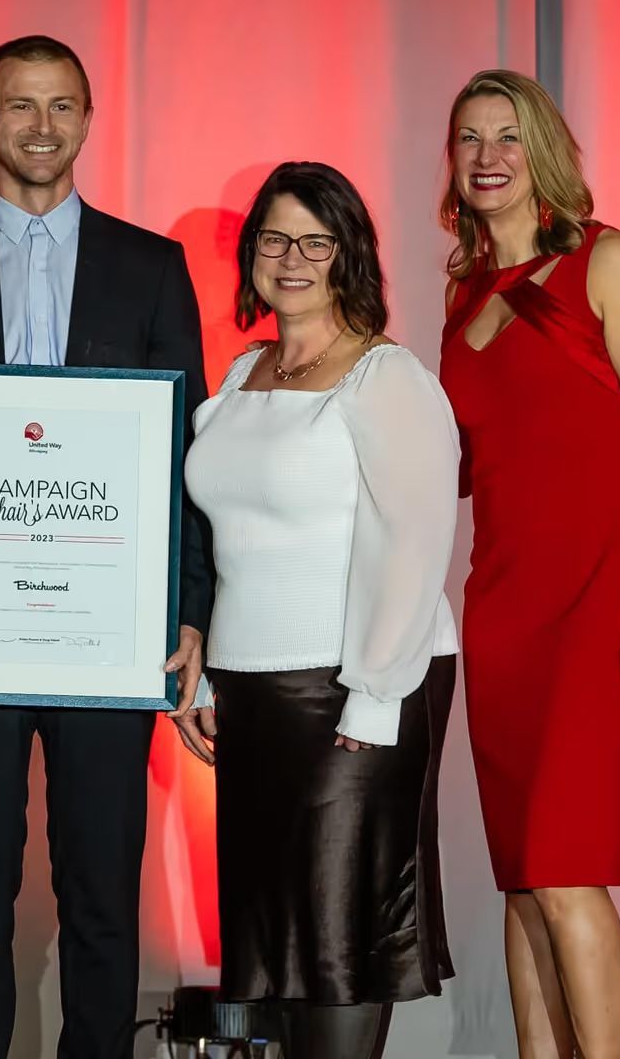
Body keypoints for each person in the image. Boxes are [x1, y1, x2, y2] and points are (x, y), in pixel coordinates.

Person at [0, 35, 212, 1058]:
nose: (42, 127)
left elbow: (182, 455)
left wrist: (187, 609)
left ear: (88, 121)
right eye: (20, 106)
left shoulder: (153, 270)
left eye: (62, 106)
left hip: (109, 638)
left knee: (104, 893)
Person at [173, 162, 461, 1058]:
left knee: (339, 943)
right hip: (255, 696)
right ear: (250, 254)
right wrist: (213, 676)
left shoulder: (386, 377)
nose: (289, 259)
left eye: (313, 241)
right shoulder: (242, 372)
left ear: (348, 256)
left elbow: (416, 549)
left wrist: (374, 700)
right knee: (280, 943)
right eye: (272, 239)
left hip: (356, 690)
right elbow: (229, 547)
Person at [437, 69, 620, 1059]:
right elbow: (463, 464)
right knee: (522, 878)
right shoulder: (463, 293)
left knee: (564, 866)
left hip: (592, 610)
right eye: (470, 138)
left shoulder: (605, 261)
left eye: (509, 135)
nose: (490, 154)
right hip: (498, 617)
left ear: (543, 151)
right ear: (452, 164)